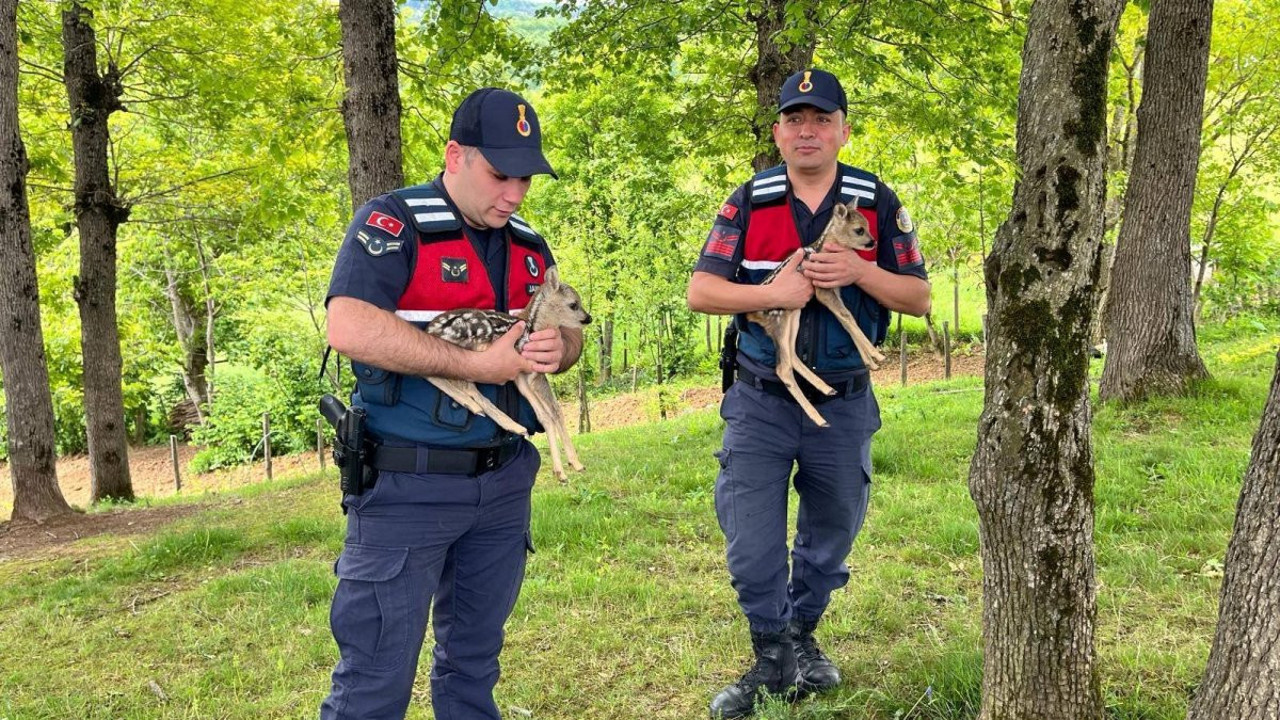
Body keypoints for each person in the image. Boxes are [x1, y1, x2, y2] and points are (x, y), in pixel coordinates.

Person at [319, 87, 581, 720]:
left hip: (503, 483)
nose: (515, 191)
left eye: (525, 176)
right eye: (500, 173)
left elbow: (566, 337)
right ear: (456, 155)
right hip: (410, 486)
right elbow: (349, 326)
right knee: (376, 677)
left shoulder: (528, 244)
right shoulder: (394, 223)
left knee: (472, 664)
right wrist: (475, 365)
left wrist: (557, 350)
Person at [687, 68, 930, 718]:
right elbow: (701, 292)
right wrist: (774, 293)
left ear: (843, 130)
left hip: (844, 403)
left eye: (821, 119)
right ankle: (770, 659)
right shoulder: (750, 201)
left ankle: (801, 637)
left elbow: (919, 298)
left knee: (832, 535)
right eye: (795, 119)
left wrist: (861, 270)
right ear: (778, 132)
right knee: (751, 541)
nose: (807, 130)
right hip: (762, 400)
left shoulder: (876, 203)